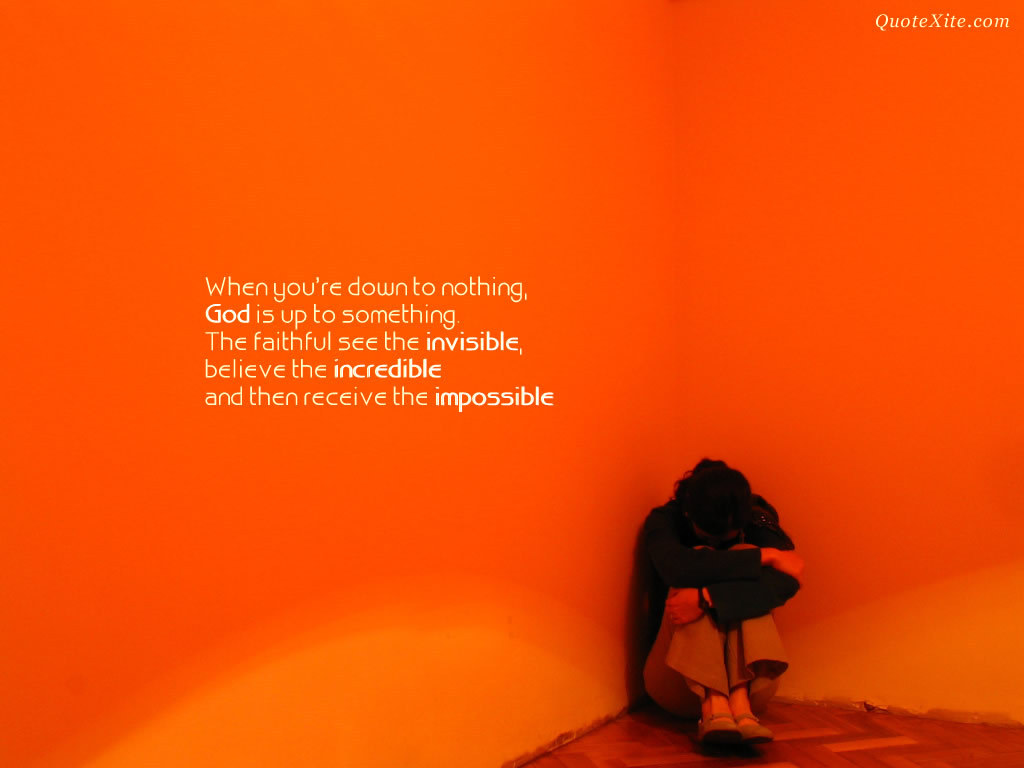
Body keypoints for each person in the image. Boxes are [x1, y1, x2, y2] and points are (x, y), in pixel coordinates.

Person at [641, 458, 804, 745]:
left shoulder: (755, 517)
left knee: (741, 551)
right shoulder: (664, 520)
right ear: (688, 512)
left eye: (726, 536)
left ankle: (738, 701)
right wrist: (763, 556)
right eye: (709, 534)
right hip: (677, 684)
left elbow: (788, 580)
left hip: (754, 690)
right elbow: (675, 568)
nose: (718, 542)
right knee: (698, 558)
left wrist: (707, 598)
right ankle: (713, 702)